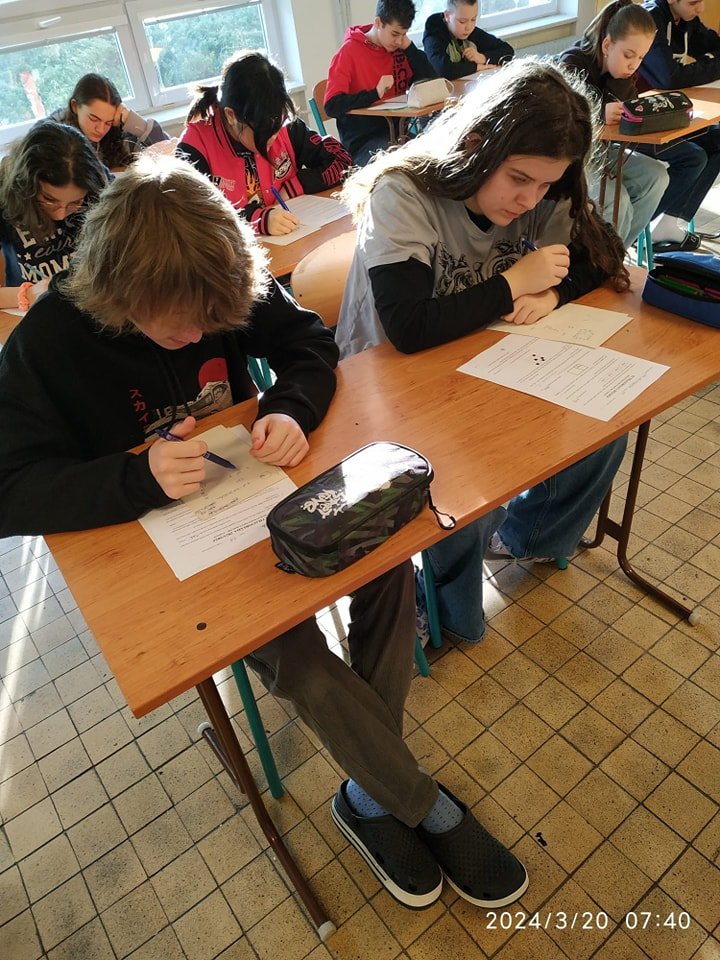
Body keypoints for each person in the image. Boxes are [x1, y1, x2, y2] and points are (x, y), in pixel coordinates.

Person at [0, 155, 528, 913]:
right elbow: (9, 490)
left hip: (268, 501)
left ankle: (372, 789)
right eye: (181, 324)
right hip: (165, 551)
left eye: (213, 322)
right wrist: (135, 477)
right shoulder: (51, 337)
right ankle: (412, 799)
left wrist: (289, 406)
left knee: (386, 565)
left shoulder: (216, 279)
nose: (198, 335)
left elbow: (308, 345)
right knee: (297, 656)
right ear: (120, 293)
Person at [335, 59, 629, 646]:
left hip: (482, 358)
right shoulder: (405, 193)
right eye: (519, 178)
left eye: (545, 185)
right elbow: (409, 328)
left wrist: (553, 292)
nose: (530, 199)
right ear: (476, 144)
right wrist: (515, 283)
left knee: (603, 432)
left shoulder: (541, 185)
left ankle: (524, 538)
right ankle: (442, 606)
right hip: (388, 383)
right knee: (472, 483)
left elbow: (603, 256)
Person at [178, 51, 351, 237]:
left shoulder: (283, 126)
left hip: (291, 242)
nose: (274, 136)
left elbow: (342, 160)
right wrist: (258, 220)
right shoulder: (194, 147)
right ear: (231, 115)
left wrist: (294, 187)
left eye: (278, 124)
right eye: (264, 131)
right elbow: (192, 219)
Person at [558, 0, 670, 247]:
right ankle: (603, 262)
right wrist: (598, 113)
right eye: (628, 55)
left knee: (657, 176)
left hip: (602, 151)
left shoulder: (623, 73)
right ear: (607, 45)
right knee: (618, 201)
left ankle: (617, 253)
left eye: (641, 57)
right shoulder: (572, 63)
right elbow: (564, 120)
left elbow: (629, 113)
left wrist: (619, 78)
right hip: (571, 157)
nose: (634, 64)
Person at [0, 120, 109, 311]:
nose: (60, 215)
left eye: (75, 202)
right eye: (49, 200)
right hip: (30, 311)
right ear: (26, 186)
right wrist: (31, 293)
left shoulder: (98, 187)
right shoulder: (3, 197)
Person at [637, 0, 720, 250]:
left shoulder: (684, 19)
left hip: (668, 114)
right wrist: (712, 64)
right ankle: (638, 225)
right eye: (694, 2)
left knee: (717, 140)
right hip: (639, 123)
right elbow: (669, 77)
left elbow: (712, 44)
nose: (701, 8)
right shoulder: (649, 20)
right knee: (694, 157)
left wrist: (707, 61)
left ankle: (670, 221)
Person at [324, 0, 437, 166]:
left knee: (433, 159)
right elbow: (331, 106)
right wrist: (374, 94)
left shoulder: (400, 49)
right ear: (378, 23)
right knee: (401, 166)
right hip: (364, 143)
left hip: (399, 135)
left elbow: (431, 81)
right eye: (394, 34)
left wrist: (410, 48)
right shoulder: (348, 52)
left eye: (404, 34)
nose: (398, 41)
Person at [55, 73, 169, 170]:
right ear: (75, 106)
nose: (101, 129)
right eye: (94, 119)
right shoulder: (54, 136)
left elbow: (170, 153)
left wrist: (132, 119)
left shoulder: (119, 128)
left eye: (108, 122)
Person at [423, 0, 514, 79]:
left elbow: (508, 51)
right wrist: (476, 67)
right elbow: (441, 69)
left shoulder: (471, 31)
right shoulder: (433, 34)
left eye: (473, 19)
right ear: (447, 16)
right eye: (462, 21)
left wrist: (482, 57)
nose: (469, 27)